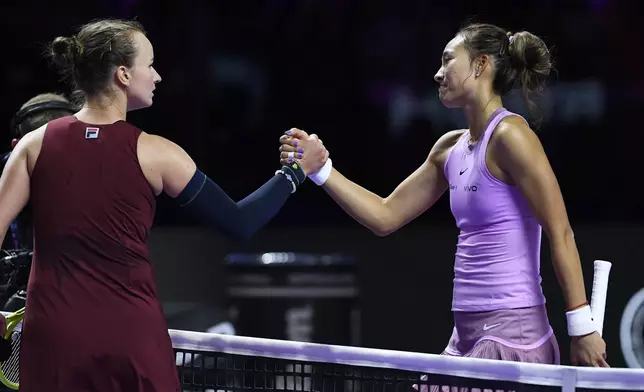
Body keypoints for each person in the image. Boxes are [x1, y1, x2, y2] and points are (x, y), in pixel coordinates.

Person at [0, 19, 326, 391]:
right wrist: (296, 172)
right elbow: (240, 222)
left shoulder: (32, 145)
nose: (157, 76)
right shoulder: (158, 154)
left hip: (51, 338)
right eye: (150, 65)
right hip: (130, 340)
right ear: (123, 74)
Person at [280, 23, 608, 368]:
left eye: (448, 60)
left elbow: (561, 232)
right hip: (464, 337)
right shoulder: (448, 149)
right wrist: (321, 170)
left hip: (512, 338)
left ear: (480, 65)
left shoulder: (512, 136)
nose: (438, 74)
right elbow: (384, 215)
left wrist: (582, 329)